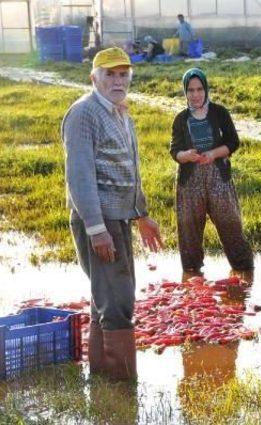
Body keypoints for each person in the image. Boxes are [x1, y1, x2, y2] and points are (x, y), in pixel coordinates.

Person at [61, 47, 163, 380]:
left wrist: (141, 215)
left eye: (123, 75)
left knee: (105, 297)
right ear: (94, 78)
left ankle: (104, 378)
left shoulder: (120, 112)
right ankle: (123, 386)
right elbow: (80, 175)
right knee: (118, 301)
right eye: (110, 74)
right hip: (100, 221)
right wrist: (96, 228)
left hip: (118, 219)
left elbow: (130, 168)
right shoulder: (83, 113)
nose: (118, 81)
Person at [169, 68, 254, 282]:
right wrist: (186, 155)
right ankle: (192, 278)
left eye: (199, 89)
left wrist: (213, 154)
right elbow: (174, 150)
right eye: (190, 90)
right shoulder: (180, 119)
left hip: (218, 176)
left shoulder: (219, 112)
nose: (195, 94)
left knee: (230, 224)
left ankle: (245, 274)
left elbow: (233, 142)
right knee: (189, 231)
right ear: (185, 92)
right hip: (189, 180)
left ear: (206, 90)